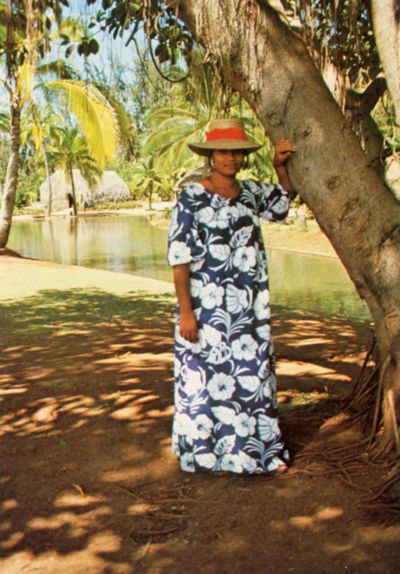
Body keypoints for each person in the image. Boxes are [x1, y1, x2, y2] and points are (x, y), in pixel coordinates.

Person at [168, 118, 295, 475]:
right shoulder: (191, 197)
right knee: (205, 380)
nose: (231, 158)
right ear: (211, 156)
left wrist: (280, 168)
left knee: (253, 374)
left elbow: (282, 205)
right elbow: (179, 258)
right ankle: (208, 453)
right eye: (223, 152)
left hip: (249, 308)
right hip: (205, 308)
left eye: (237, 152)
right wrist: (186, 312)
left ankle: (254, 452)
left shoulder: (251, 193)